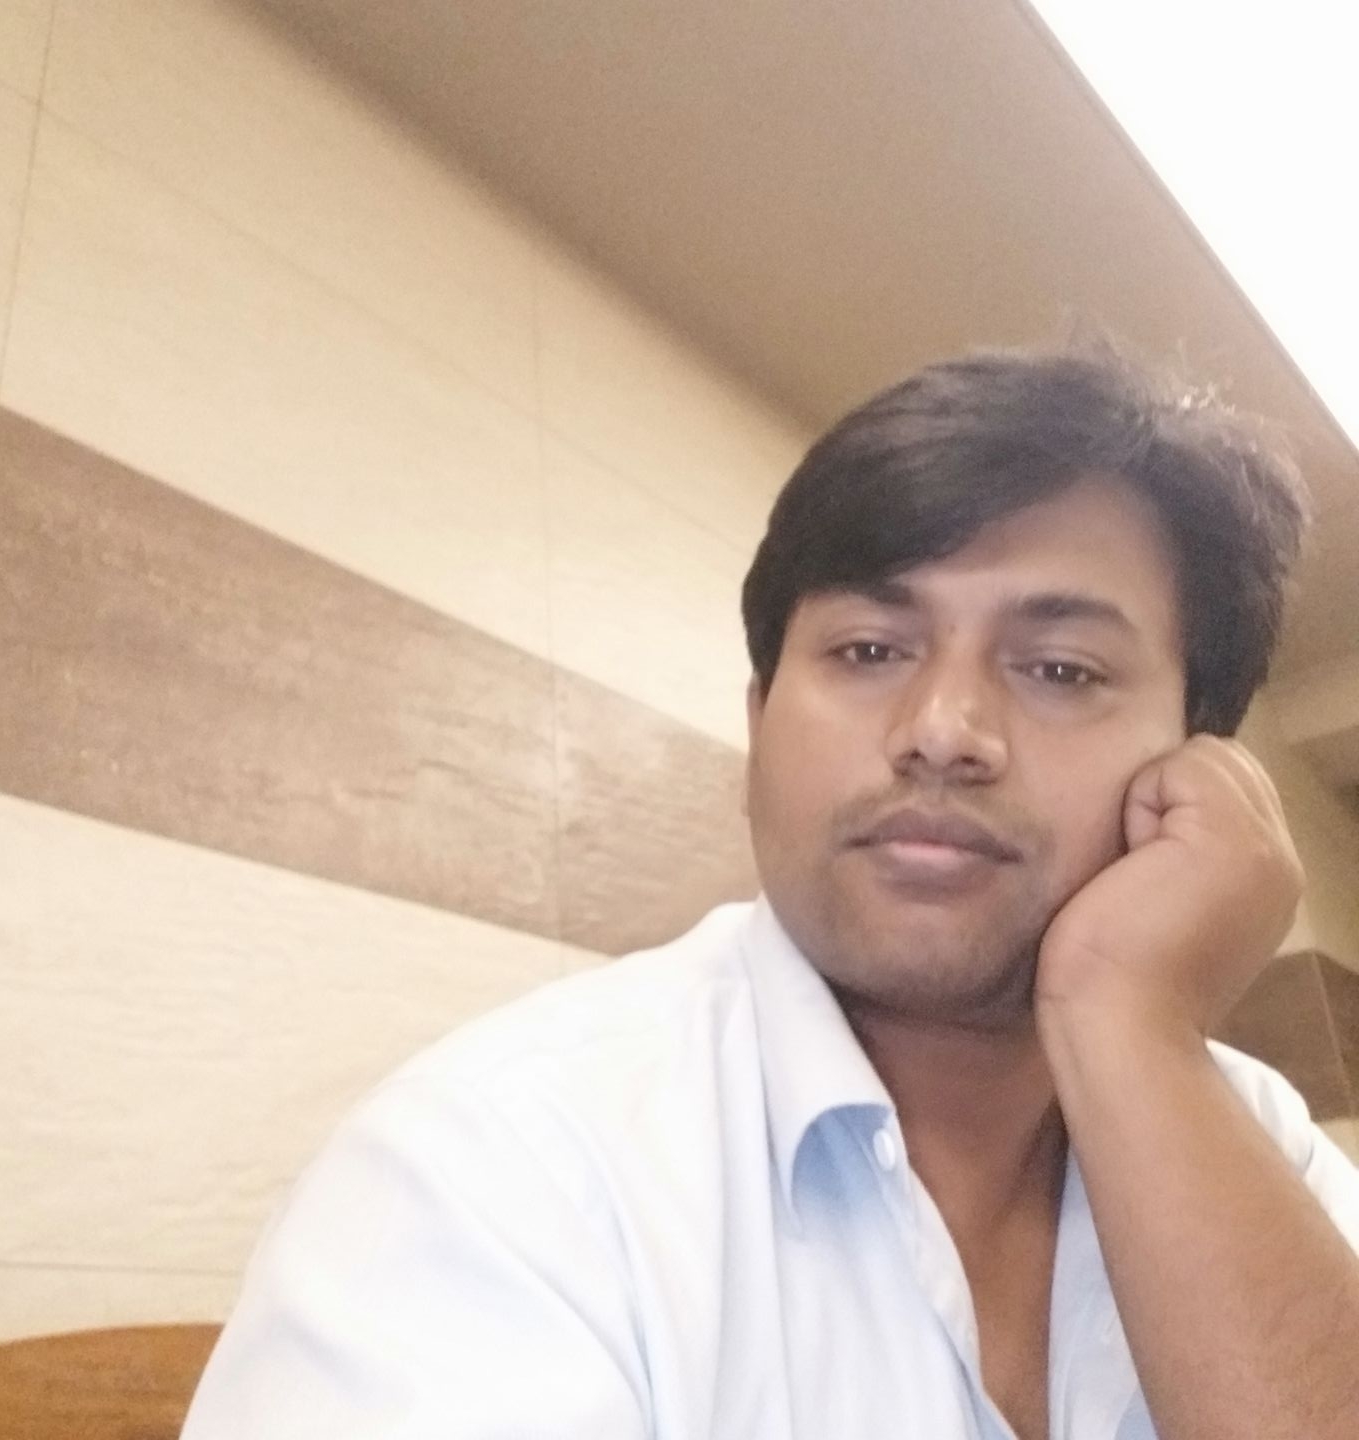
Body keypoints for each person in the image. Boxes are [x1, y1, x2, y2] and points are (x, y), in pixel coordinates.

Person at [181, 345, 1359, 1440]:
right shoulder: (499, 1166)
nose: (943, 729)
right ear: (760, 725)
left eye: (1060, 668)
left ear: (1199, 768)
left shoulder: (1252, 1137)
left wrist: (1130, 1025)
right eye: (868, 651)